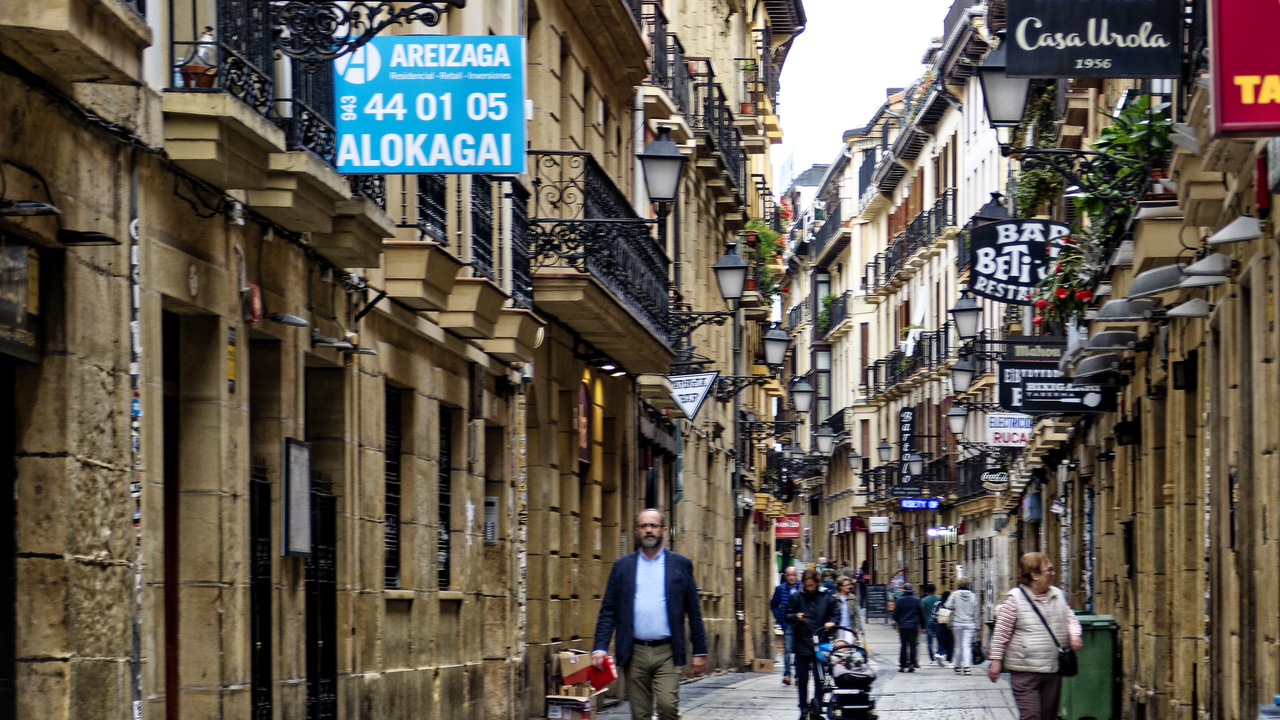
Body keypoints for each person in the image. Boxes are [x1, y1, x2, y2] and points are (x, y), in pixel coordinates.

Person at [592, 509, 707, 720]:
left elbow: (694, 610)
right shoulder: (622, 567)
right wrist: (600, 647)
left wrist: (700, 651)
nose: (648, 530)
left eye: (653, 526)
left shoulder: (680, 565)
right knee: (640, 713)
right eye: (643, 526)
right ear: (637, 531)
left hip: (667, 651)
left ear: (663, 531)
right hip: (634, 651)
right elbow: (608, 610)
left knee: (667, 707)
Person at [987, 553, 1083, 720]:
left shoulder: (1057, 595)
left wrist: (1075, 633)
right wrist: (996, 661)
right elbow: (1001, 632)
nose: (1053, 573)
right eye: (1049, 569)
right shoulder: (1014, 599)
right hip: (1025, 672)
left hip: (1052, 670)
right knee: (1031, 715)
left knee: (1048, 717)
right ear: (1034, 574)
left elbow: (1070, 617)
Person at [785, 569, 837, 719]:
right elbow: (787, 615)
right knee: (802, 679)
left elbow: (835, 612)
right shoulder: (797, 597)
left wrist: (831, 622)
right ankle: (803, 707)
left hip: (820, 642)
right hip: (802, 642)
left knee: (819, 678)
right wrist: (796, 616)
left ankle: (817, 707)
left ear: (817, 583)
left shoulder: (826, 595)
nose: (810, 588)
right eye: (807, 585)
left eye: (812, 585)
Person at [771, 566, 801, 686]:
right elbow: (773, 604)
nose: (792, 577)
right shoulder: (780, 589)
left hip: (800, 624)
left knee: (799, 650)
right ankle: (787, 674)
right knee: (787, 649)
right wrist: (779, 618)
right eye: (789, 575)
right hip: (787, 623)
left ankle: (798, 675)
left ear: (796, 576)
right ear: (785, 576)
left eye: (793, 574)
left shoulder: (802, 588)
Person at [945, 577, 980, 675]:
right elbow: (976, 611)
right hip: (970, 622)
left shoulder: (955, 594)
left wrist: (955, 606)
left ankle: (957, 666)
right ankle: (967, 667)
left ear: (959, 584)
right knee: (967, 645)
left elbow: (947, 605)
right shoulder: (973, 596)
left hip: (957, 622)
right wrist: (977, 625)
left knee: (958, 645)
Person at [891, 581, 926, 672]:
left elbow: (895, 614)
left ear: (904, 590)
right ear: (912, 590)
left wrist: (898, 623)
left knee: (903, 646)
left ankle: (902, 665)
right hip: (914, 626)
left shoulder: (899, 600)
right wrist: (923, 626)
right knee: (913, 646)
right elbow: (921, 614)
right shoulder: (916, 600)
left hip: (903, 626)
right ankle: (911, 664)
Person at [832, 576, 861, 647]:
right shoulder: (834, 598)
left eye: (849, 584)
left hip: (849, 628)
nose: (849, 586)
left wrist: (857, 627)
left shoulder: (852, 598)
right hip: (838, 628)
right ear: (840, 586)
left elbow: (856, 614)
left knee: (849, 647)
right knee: (838, 648)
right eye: (847, 585)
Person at [920, 583, 940, 663]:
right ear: (935, 590)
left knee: (929, 641)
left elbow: (922, 613)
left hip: (928, 622)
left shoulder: (924, 600)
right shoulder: (939, 599)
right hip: (937, 622)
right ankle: (938, 655)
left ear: (927, 591)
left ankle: (932, 659)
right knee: (939, 640)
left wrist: (922, 626)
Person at [934, 590, 955, 667]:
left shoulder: (937, 604)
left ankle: (940, 653)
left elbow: (933, 615)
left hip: (939, 625)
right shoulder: (952, 604)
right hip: (950, 626)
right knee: (950, 643)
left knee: (941, 641)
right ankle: (949, 661)